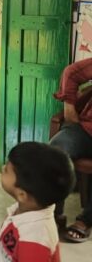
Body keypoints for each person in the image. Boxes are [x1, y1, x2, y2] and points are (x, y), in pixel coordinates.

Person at [0, 142, 75, 261]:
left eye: (7, 170)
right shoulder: (24, 210)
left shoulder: (34, 240)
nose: (3, 167)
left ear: (22, 194)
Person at [50, 57, 92, 242]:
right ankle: (52, 215)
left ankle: (85, 220)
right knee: (55, 152)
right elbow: (72, 73)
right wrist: (69, 107)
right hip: (85, 129)